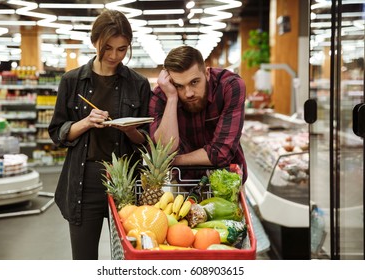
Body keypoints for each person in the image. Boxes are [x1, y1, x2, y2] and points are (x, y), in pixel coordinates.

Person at [48, 9, 151, 260]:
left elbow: (148, 141)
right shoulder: (72, 81)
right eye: (108, 48)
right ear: (95, 41)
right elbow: (57, 133)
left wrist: (131, 132)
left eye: (122, 49)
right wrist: (84, 123)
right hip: (86, 180)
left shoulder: (138, 84)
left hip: (128, 180)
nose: (115, 56)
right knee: (84, 260)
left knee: (130, 258)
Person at [149, 45, 247, 183]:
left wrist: (173, 161)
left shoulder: (229, 86)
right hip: (183, 184)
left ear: (207, 73)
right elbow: (164, 150)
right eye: (179, 86)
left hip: (228, 182)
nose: (188, 93)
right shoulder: (161, 96)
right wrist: (172, 98)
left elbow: (221, 153)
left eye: (194, 82)